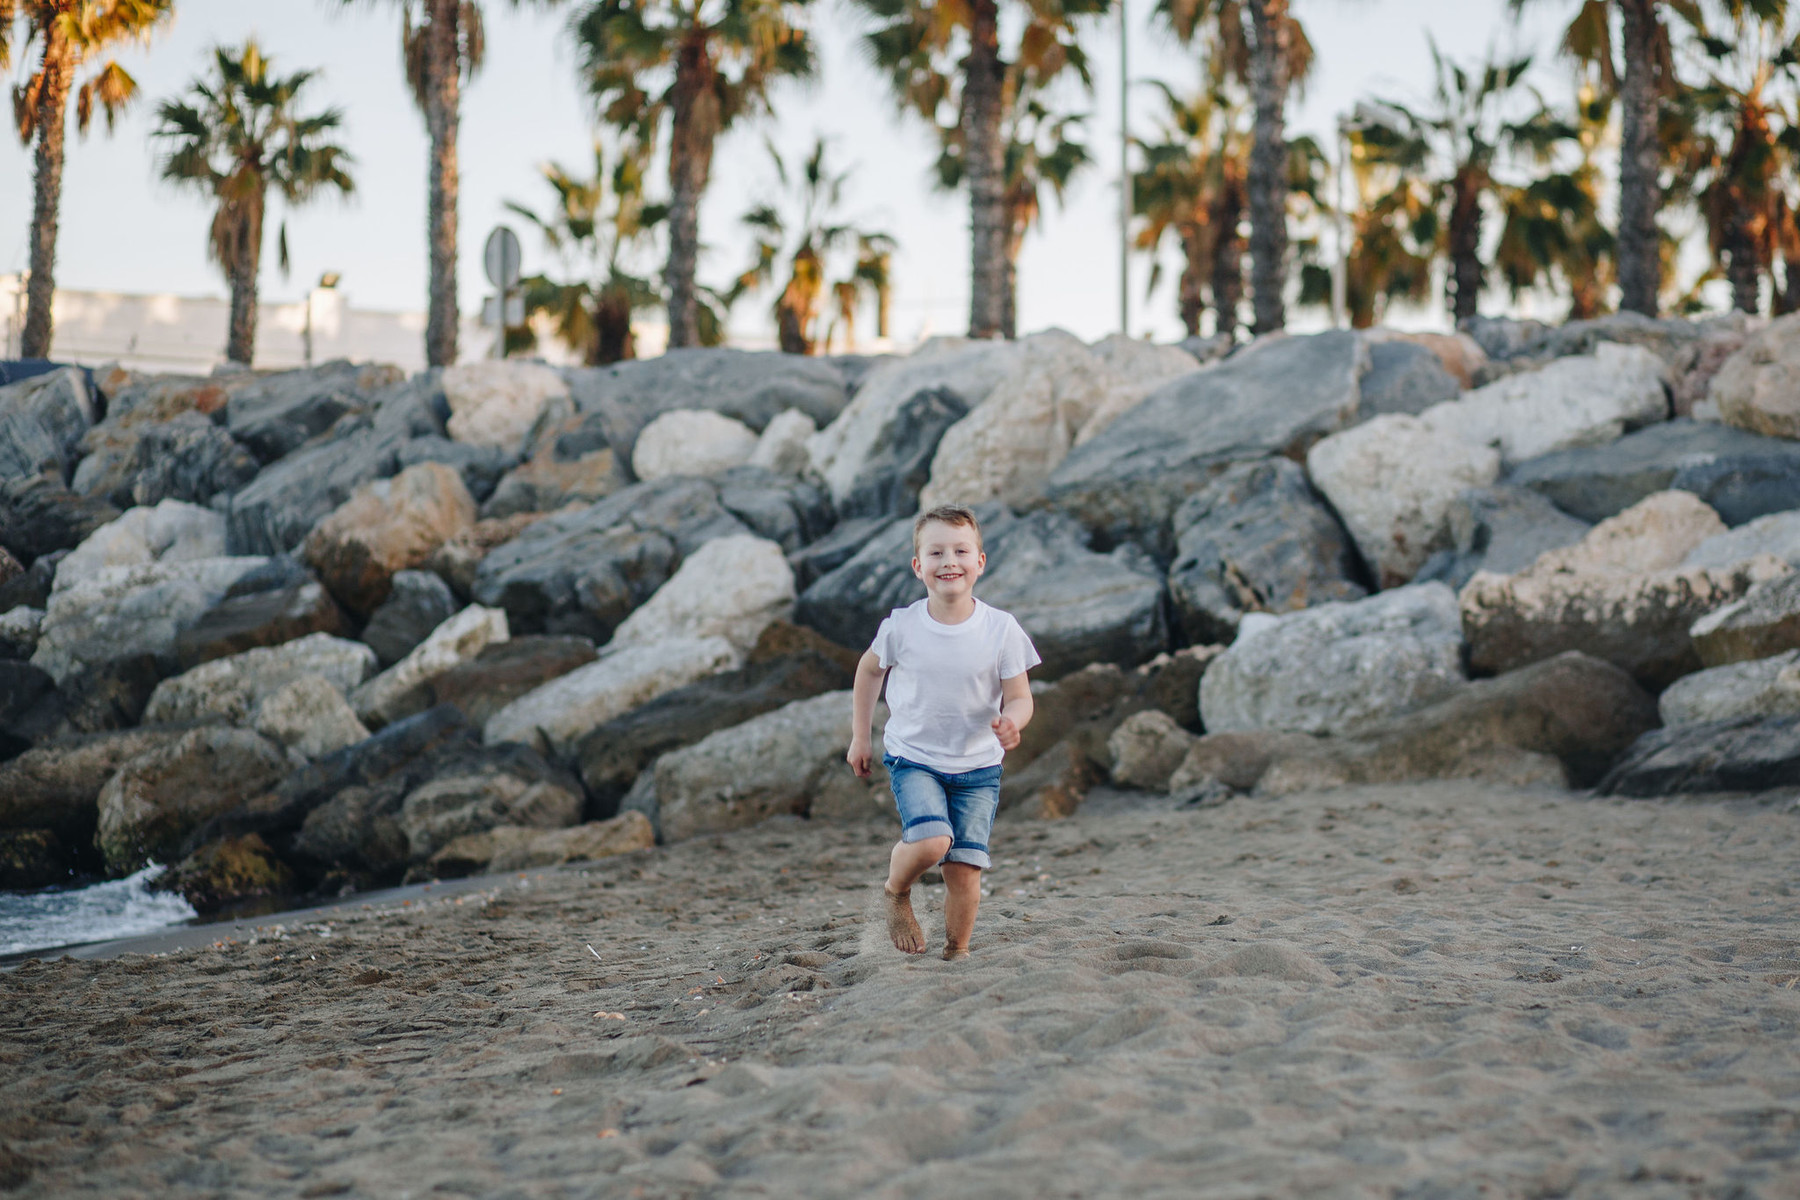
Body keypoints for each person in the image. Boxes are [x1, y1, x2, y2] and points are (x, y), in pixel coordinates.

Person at [846, 504, 1040, 960]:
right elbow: (869, 672)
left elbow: (1020, 697)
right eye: (935, 553)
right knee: (933, 841)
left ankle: (957, 952)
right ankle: (896, 891)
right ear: (919, 566)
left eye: (959, 550)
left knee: (965, 869)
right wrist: (860, 736)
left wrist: (1013, 722)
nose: (948, 561)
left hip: (979, 767)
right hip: (915, 758)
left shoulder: (1001, 629)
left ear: (980, 562)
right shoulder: (903, 626)